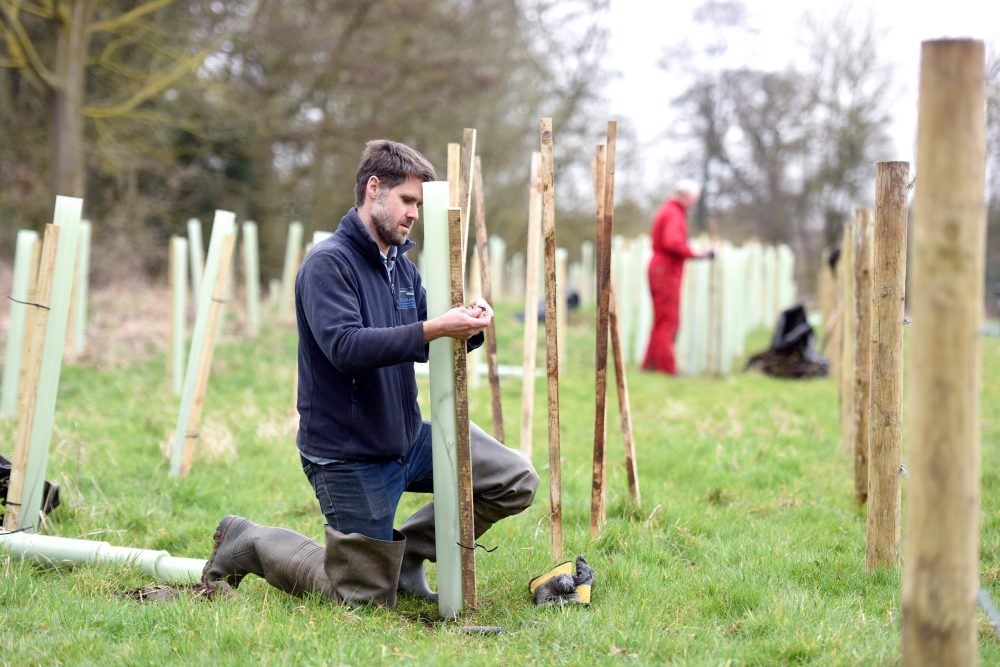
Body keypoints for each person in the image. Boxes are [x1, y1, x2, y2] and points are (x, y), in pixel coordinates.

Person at [202, 140, 539, 607]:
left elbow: (427, 341)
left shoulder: (402, 269)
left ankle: (401, 557)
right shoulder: (327, 264)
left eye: (419, 204)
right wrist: (434, 326)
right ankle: (250, 541)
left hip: (405, 437)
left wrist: (470, 325)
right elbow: (345, 347)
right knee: (362, 599)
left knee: (514, 478)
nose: (415, 213)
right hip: (349, 453)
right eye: (407, 200)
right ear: (374, 189)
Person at [641, 179, 713, 375]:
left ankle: (650, 365)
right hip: (665, 270)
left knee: (661, 319)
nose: (694, 203)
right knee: (669, 320)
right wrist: (697, 253)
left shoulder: (668, 210)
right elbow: (672, 242)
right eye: (694, 199)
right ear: (686, 196)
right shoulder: (674, 213)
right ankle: (666, 368)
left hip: (661, 268)